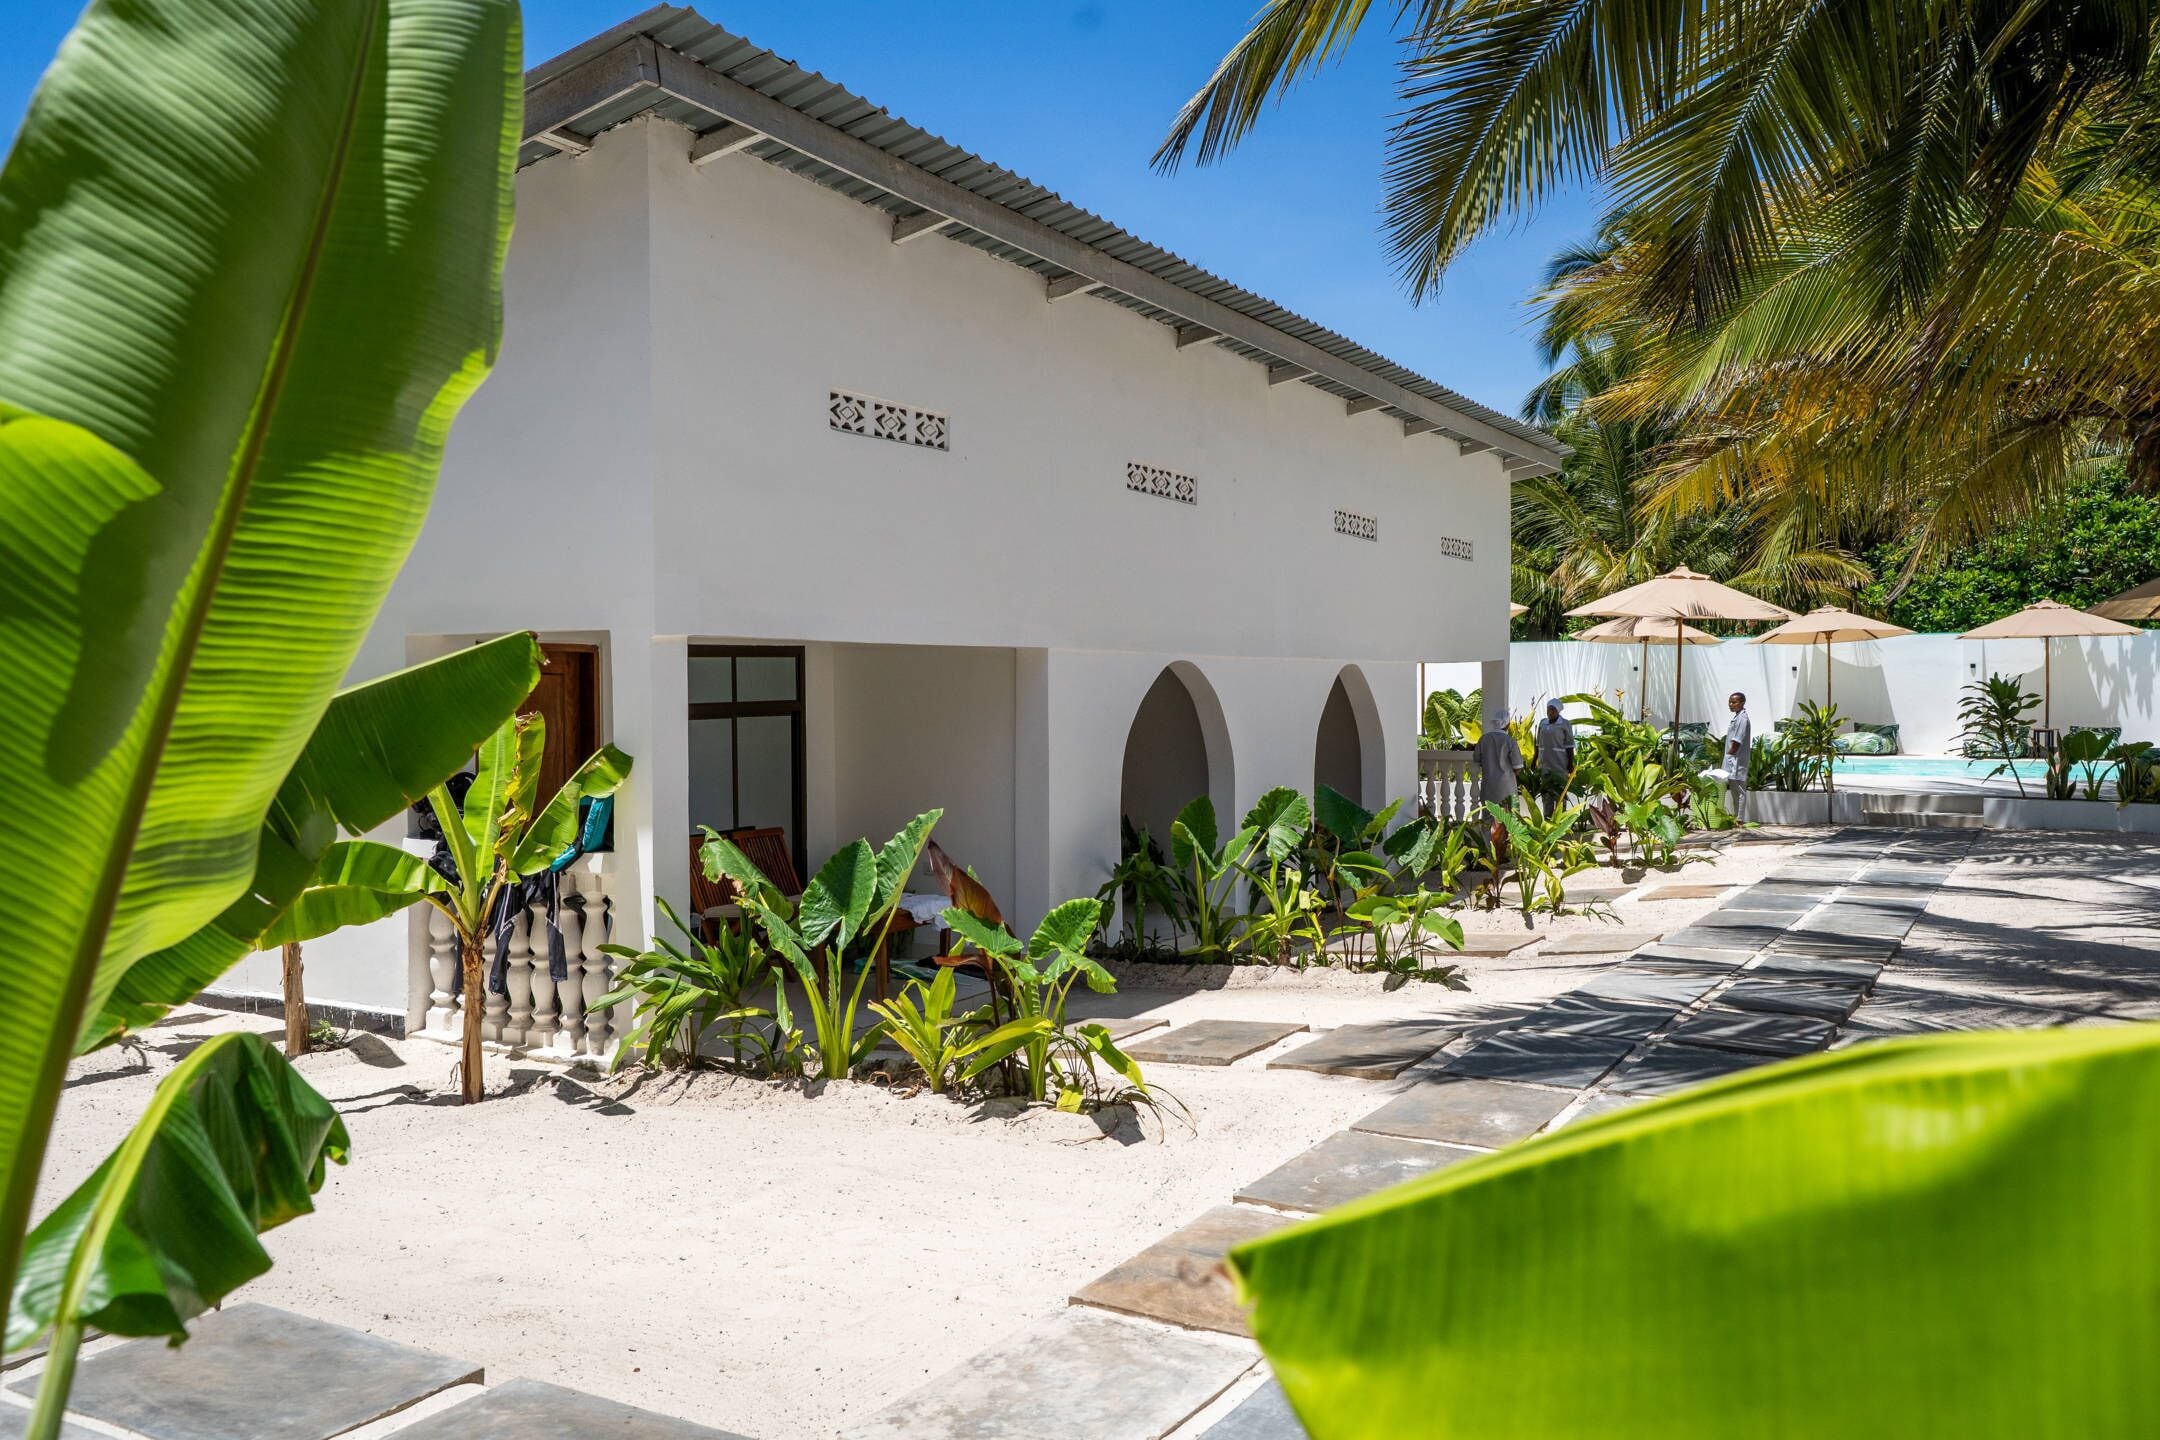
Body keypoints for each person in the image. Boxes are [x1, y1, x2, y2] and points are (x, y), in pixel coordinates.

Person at [1704, 690, 1753, 821]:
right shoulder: (1737, 717)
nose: (1731, 704)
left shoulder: (1742, 719)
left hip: (1737, 761)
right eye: (1730, 702)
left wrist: (1730, 754)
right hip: (1732, 760)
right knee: (1734, 790)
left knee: (1739, 790)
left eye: (1734, 702)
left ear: (1742, 703)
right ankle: (1737, 817)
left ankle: (1740, 819)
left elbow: (1737, 741)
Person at [1472, 713, 1525, 808]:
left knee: (1488, 813)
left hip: (1488, 786)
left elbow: (1477, 759)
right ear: (1507, 724)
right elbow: (1518, 766)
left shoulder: (1483, 739)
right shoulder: (1510, 741)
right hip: (1507, 788)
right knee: (1507, 815)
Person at [1534, 701, 1575, 780]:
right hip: (1544, 761)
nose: (1550, 712)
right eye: (1548, 709)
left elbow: (1570, 746)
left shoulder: (1565, 723)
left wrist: (1570, 764)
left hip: (1559, 761)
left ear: (1558, 711)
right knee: (1544, 782)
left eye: (1553, 709)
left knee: (1559, 782)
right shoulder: (1542, 723)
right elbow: (1538, 744)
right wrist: (1534, 759)